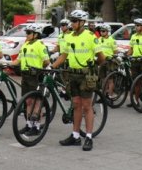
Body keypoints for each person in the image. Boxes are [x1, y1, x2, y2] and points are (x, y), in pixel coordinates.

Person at [51, 11, 105, 151]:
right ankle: (75, 136)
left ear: (82, 22)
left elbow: (101, 57)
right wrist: (52, 66)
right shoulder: (69, 37)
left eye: (75, 21)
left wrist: (93, 67)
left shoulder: (90, 36)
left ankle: (88, 137)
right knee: (76, 104)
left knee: (87, 106)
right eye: (72, 21)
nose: (72, 23)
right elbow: (64, 56)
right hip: (72, 74)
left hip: (86, 75)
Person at [9, 24, 50, 135]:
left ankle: (36, 127)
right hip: (26, 75)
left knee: (36, 102)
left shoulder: (40, 45)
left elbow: (46, 62)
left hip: (35, 75)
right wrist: (6, 64)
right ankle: (28, 124)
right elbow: (18, 60)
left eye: (28, 33)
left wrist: (38, 68)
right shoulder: (25, 45)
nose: (26, 35)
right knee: (28, 101)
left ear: (35, 34)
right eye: (26, 33)